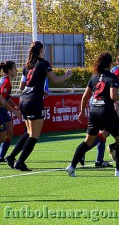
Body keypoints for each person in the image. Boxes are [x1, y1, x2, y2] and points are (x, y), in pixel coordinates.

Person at [5, 41, 72, 171]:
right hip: (34, 101)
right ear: (41, 50)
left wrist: (38, 89)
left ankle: (11, 156)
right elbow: (56, 80)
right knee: (34, 135)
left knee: (29, 132)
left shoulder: (27, 66)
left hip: (23, 99)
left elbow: (22, 86)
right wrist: (67, 75)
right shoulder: (44, 64)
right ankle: (20, 162)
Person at [66, 52, 119, 177]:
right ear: (109, 63)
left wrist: (81, 112)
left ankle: (72, 165)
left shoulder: (94, 78)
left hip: (94, 111)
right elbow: (113, 96)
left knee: (87, 142)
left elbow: (85, 97)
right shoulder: (112, 77)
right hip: (107, 112)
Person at [79, 48, 119, 168]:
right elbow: (111, 91)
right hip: (103, 103)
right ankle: (85, 152)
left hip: (98, 102)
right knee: (105, 133)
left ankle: (97, 158)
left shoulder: (115, 70)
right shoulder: (118, 73)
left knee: (103, 133)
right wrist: (117, 101)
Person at [0, 61, 21, 161]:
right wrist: (15, 111)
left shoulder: (7, 81)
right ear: (9, 71)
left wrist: (15, 105)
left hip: (3, 111)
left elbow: (6, 98)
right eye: (15, 68)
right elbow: (2, 101)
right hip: (0, 110)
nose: (16, 70)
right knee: (2, 137)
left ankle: (1, 156)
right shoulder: (6, 82)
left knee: (10, 133)